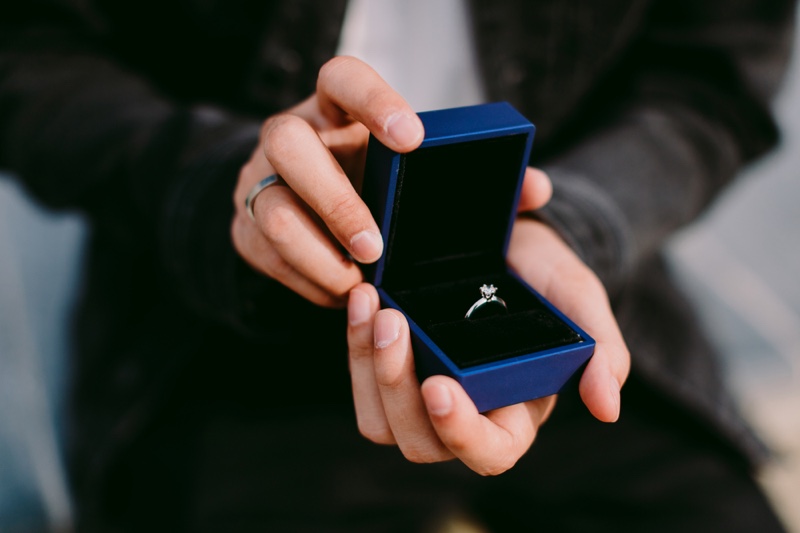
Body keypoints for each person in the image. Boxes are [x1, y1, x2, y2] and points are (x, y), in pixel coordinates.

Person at [0, 0, 793, 530]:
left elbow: (710, 77)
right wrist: (216, 178)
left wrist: (570, 222)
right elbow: (31, 54)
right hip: (207, 341)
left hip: (558, 280)